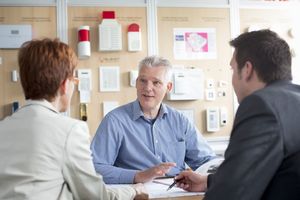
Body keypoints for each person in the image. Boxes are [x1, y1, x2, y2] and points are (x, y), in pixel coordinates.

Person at [0, 38, 147, 200]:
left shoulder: (3, 127)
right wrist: (134, 190)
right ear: (64, 85)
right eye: (74, 81)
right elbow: (95, 196)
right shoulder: (69, 130)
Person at [175, 29, 300, 200]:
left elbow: (231, 192)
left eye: (233, 70)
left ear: (247, 69)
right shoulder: (293, 99)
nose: (233, 79)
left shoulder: (261, 105)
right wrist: (209, 182)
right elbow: (275, 171)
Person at [91, 55, 216, 184]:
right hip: (136, 193)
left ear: (168, 87)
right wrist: (138, 176)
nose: (147, 88)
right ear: (136, 83)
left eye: (156, 82)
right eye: (143, 81)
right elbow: (94, 167)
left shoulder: (180, 121)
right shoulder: (115, 121)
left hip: (177, 193)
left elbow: (206, 161)